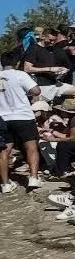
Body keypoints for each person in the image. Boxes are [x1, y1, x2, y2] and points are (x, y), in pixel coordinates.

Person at [0, 64, 42, 192]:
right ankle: (33, 177)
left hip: (3, 117)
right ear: (16, 63)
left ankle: (5, 184)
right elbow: (36, 90)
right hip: (23, 116)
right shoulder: (19, 74)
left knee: (3, 151)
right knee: (31, 147)